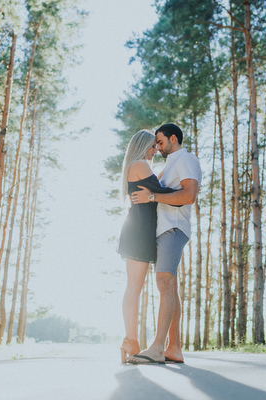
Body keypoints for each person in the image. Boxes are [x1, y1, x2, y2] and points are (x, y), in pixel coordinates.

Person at [128, 123, 201, 364]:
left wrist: (152, 196)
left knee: (163, 281)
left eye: (160, 142)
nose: (157, 148)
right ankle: (174, 348)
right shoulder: (169, 166)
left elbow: (189, 195)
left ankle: (158, 348)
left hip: (174, 228)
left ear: (173, 138)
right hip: (163, 229)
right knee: (170, 287)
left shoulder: (185, 159)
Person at [117, 129, 176, 363]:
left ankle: (130, 341)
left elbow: (155, 191)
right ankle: (131, 340)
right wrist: (185, 190)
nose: (156, 150)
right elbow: (162, 192)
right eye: (153, 146)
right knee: (134, 287)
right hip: (139, 232)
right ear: (144, 146)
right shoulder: (140, 163)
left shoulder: (138, 165)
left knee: (134, 286)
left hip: (140, 230)